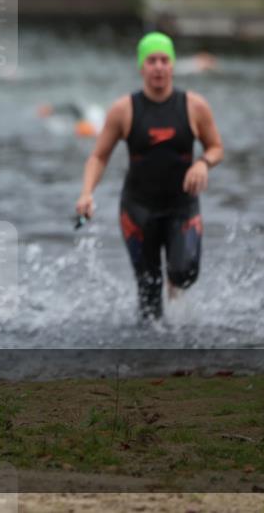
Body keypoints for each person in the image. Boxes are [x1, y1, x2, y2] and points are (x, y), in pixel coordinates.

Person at [75, 32, 223, 320]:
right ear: (141, 66)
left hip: (182, 206)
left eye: (164, 60)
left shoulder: (194, 106)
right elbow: (99, 156)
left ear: (173, 65)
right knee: (149, 302)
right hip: (138, 210)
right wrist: (86, 193)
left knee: (184, 273)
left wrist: (203, 163)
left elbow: (216, 147)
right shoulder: (124, 110)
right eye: (151, 60)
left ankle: (174, 284)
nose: (158, 67)